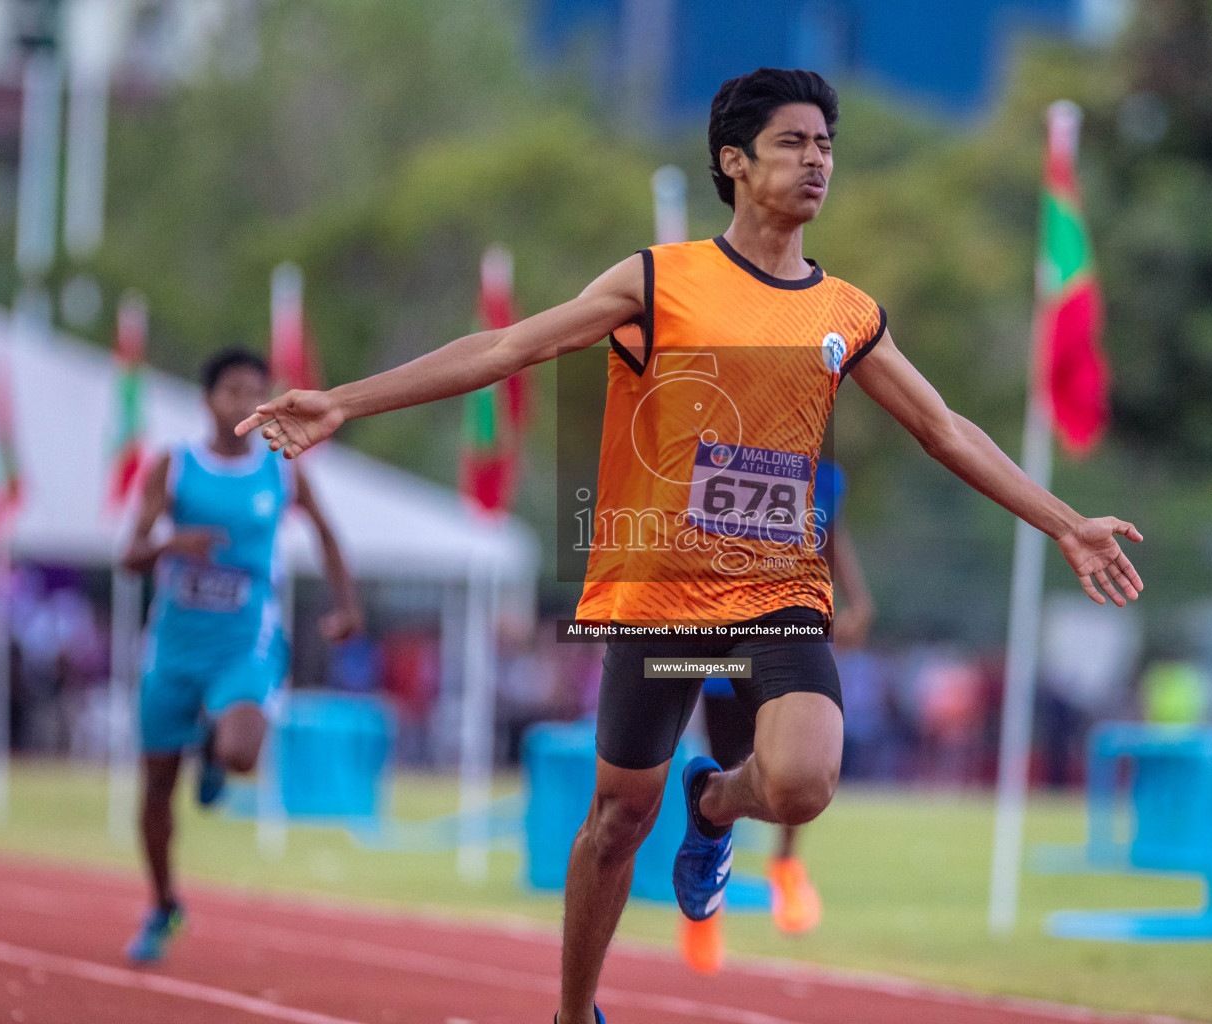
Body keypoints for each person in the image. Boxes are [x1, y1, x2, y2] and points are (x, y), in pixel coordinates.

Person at [237, 68, 1143, 1024]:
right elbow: (507, 350)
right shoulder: (658, 282)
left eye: (826, 144)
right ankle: (573, 1010)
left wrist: (1063, 521)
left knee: (801, 782)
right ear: (734, 161)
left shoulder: (844, 313)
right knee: (620, 817)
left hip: (777, 597)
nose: (816, 160)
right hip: (661, 605)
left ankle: (714, 806)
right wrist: (344, 400)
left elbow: (946, 428)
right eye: (793, 142)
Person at [121, 348, 361, 964]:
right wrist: (174, 543)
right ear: (206, 399)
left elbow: (329, 534)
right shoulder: (174, 467)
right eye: (229, 391)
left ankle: (213, 747)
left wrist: (347, 606)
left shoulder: (281, 469)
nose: (239, 403)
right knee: (156, 792)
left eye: (252, 392)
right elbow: (129, 554)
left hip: (246, 641)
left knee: (241, 751)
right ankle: (162, 902)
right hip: (173, 648)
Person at [679, 458, 869, 973]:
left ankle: (785, 864)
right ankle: (705, 906)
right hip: (726, 635)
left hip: (795, 632)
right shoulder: (730, 456)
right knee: (731, 765)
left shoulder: (828, 476)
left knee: (804, 761)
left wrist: (858, 600)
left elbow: (830, 535)